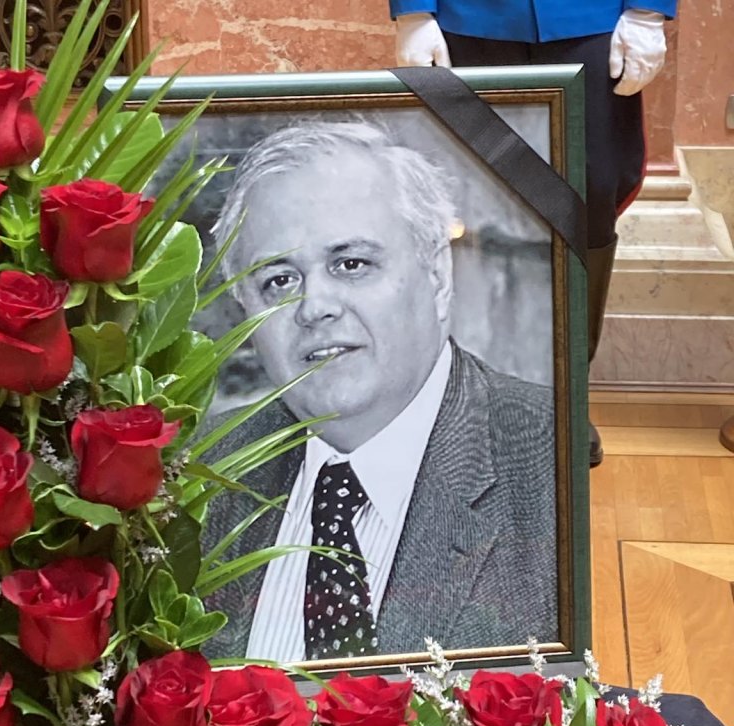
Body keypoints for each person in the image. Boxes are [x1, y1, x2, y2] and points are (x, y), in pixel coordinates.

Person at [202, 119, 557, 664]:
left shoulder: (549, 465)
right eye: (279, 280)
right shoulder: (196, 474)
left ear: (437, 275)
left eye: (351, 264)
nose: (314, 306)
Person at [392, 0, 676, 466]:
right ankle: (481, 398)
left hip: (592, 18)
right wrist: (414, 11)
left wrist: (648, 10)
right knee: (476, 190)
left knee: (592, 191)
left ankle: (566, 392)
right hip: (471, 18)